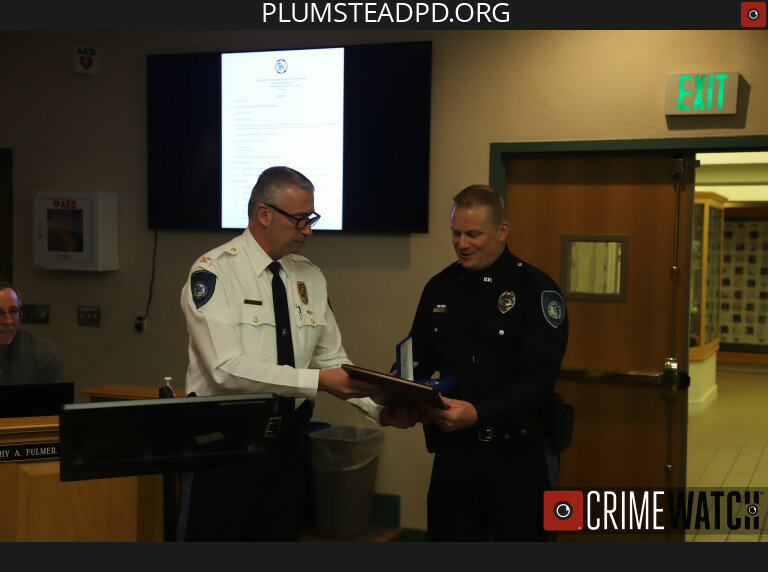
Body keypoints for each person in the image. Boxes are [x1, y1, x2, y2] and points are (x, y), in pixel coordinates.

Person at [179, 166, 406, 541]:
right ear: (263, 214)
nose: (309, 231)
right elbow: (226, 370)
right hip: (225, 447)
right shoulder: (214, 272)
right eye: (299, 220)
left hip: (287, 448)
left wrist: (381, 406)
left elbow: (333, 361)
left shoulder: (309, 276)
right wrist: (318, 382)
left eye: (311, 219)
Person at [407, 184, 569, 541]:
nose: (462, 243)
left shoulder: (536, 289)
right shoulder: (440, 287)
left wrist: (479, 413)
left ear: (502, 231)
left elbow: (539, 379)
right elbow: (418, 357)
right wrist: (400, 387)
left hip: (518, 455)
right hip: (455, 454)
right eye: (456, 233)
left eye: (473, 234)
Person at [0, 281, 64, 385]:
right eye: (0, 313)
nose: (8, 321)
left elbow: (56, 400)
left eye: (13, 311)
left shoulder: (43, 354)